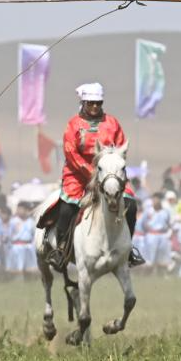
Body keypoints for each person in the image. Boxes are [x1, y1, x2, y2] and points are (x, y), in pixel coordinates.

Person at [55, 82, 143, 267]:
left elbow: (120, 150)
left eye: (98, 103)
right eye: (91, 103)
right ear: (83, 102)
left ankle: (128, 249)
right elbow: (71, 152)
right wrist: (92, 172)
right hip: (77, 175)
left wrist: (109, 172)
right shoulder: (73, 125)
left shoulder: (112, 123)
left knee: (131, 206)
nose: (95, 106)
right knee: (66, 209)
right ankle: (61, 249)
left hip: (109, 175)